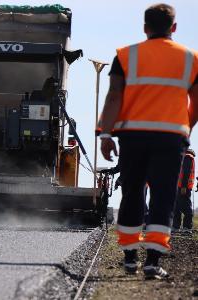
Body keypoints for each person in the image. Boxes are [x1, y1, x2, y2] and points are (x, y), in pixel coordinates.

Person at [98, 4, 198, 279]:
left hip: (133, 136)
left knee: (132, 192)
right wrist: (184, 128)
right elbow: (197, 101)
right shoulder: (192, 58)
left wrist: (106, 134)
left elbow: (114, 96)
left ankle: (130, 258)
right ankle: (153, 262)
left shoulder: (125, 56)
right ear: (174, 28)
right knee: (163, 197)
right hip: (170, 138)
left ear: (145, 28)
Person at [172, 148, 195, 231]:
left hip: (183, 187)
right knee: (177, 207)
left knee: (186, 207)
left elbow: (186, 172)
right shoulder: (185, 157)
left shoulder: (187, 157)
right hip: (180, 186)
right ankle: (176, 226)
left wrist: (183, 186)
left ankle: (187, 227)